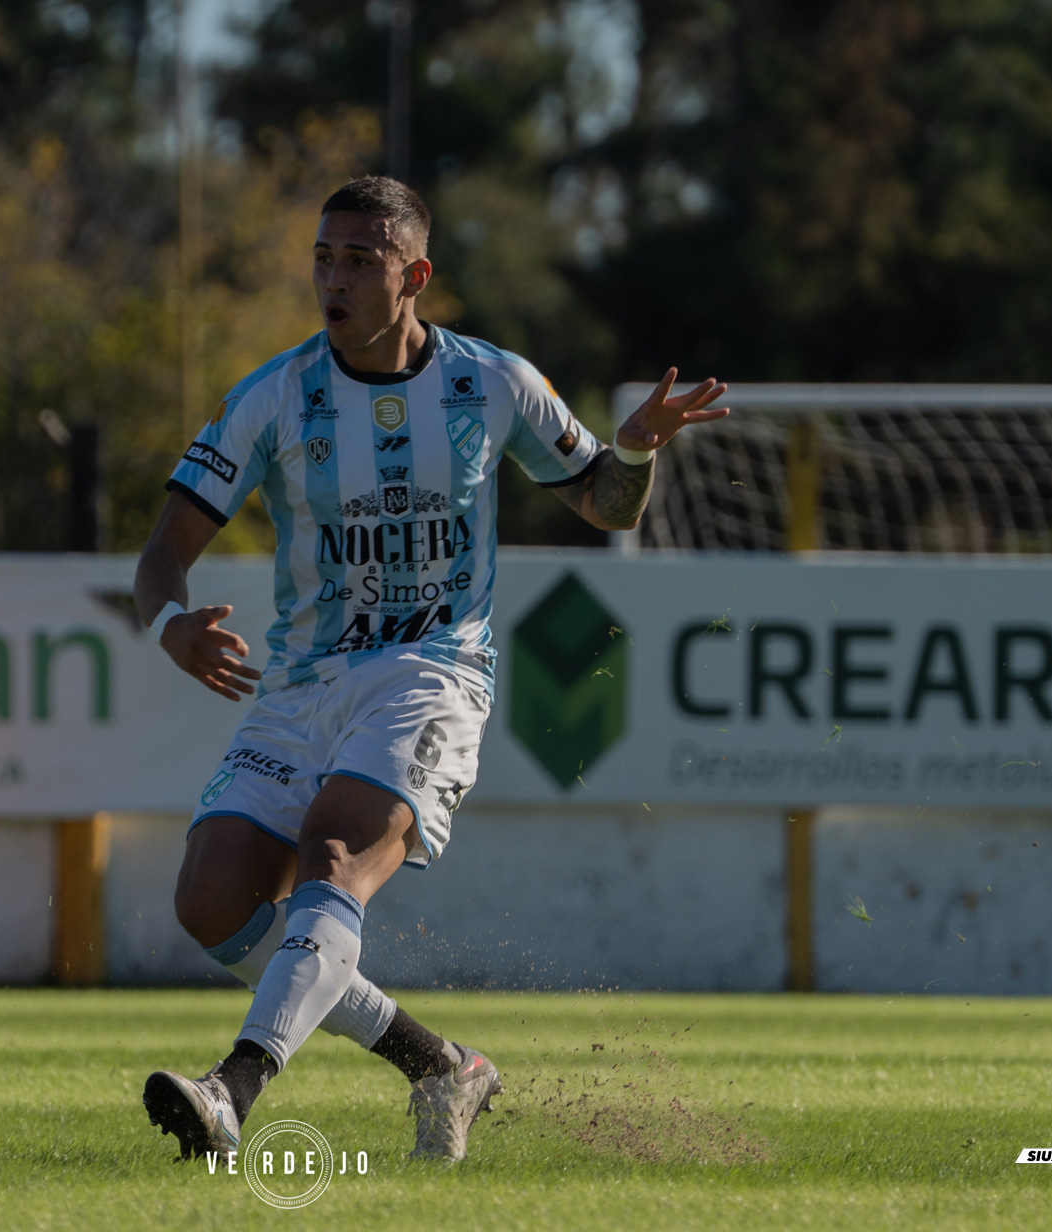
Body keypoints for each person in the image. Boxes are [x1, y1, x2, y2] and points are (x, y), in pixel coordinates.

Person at [134, 176, 727, 1161]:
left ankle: (232, 1090)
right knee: (211, 898)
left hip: (432, 668)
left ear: (416, 275)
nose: (334, 277)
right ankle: (443, 1065)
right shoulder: (274, 394)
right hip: (302, 683)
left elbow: (607, 505)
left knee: (332, 860)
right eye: (324, 256)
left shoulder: (491, 381)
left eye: (360, 260)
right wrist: (168, 623)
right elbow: (163, 552)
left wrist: (632, 449)